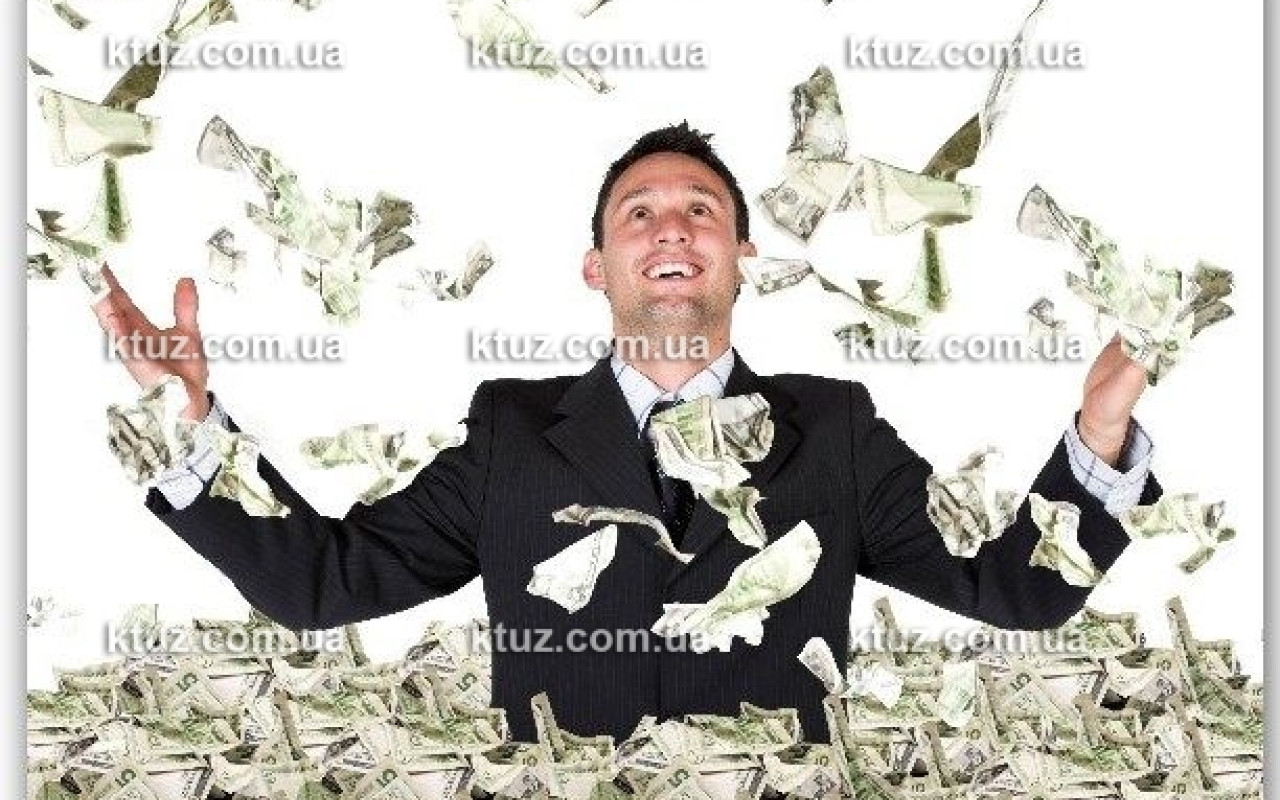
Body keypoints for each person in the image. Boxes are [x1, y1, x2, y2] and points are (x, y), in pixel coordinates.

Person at [92, 122, 1160, 743]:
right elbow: (320, 584)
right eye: (638, 212)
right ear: (597, 267)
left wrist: (1098, 434)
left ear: (742, 259)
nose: (671, 226)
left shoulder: (832, 429)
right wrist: (188, 419)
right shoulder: (511, 433)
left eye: (700, 210)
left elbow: (1011, 591)